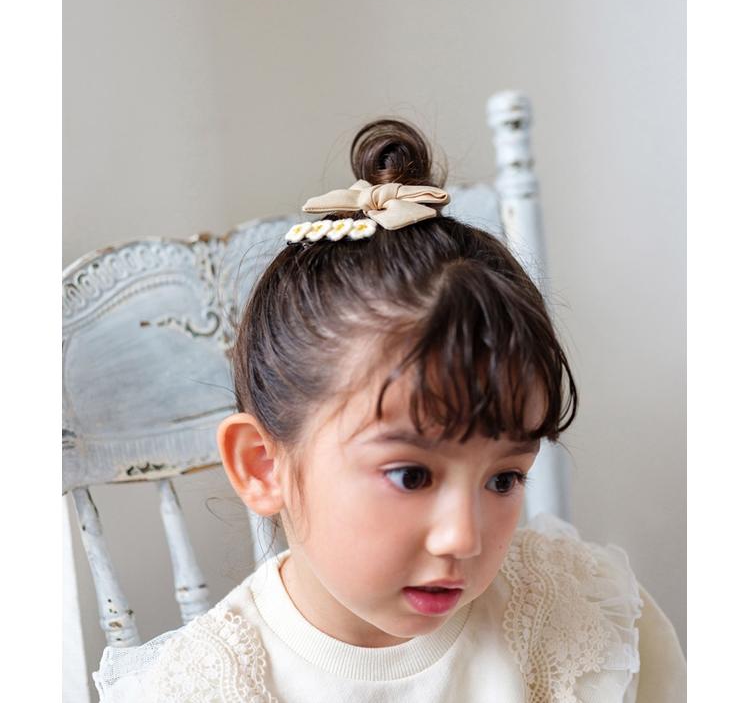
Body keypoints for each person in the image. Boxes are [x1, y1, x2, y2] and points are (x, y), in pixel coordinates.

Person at [93, 118, 686, 702]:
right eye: (411, 476)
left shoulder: (582, 621)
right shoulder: (202, 687)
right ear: (263, 467)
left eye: (504, 479)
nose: (463, 538)